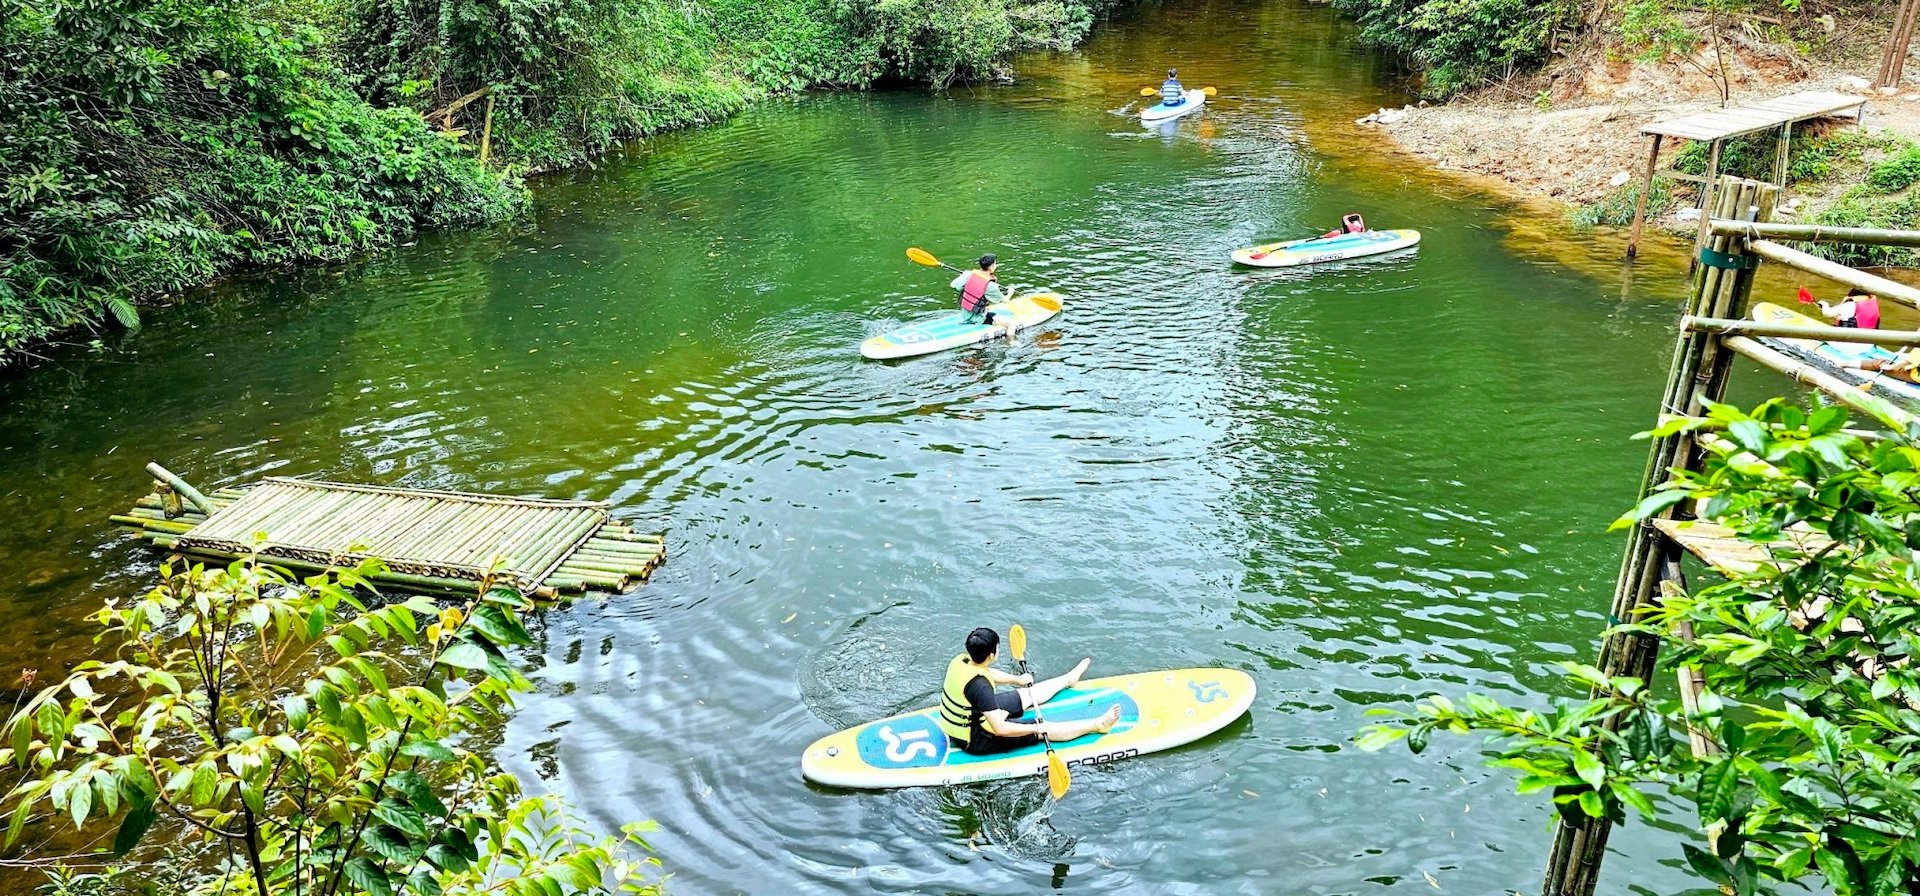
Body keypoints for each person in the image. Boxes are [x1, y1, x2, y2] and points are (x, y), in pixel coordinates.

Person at [936, 627, 1120, 756]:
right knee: (1044, 727)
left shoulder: (962, 660)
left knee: (1025, 694)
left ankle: (1068, 679)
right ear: (992, 655)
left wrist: (1017, 680)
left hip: (973, 714)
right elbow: (1000, 729)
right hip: (975, 738)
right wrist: (1035, 728)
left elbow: (987, 672)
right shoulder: (981, 688)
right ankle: (1098, 725)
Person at [951, 253, 1018, 341]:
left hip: (965, 313)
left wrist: (963, 275)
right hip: (978, 317)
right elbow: (1004, 300)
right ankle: (1012, 342)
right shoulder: (991, 286)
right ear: (991, 268)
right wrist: (1010, 292)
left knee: (987, 307)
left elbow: (953, 285)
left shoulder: (969, 274)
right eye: (995, 264)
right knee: (1011, 324)